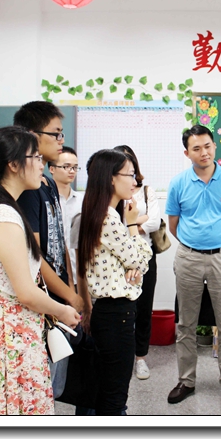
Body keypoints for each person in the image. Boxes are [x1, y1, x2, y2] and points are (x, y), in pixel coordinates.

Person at [0, 126, 79, 415]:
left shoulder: (1, 209)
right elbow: (25, 292)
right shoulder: (2, 215)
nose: (42, 165)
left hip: (8, 332)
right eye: (36, 157)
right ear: (13, 164)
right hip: (11, 338)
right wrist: (63, 310)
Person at [165, 125, 221, 407]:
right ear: (187, 153)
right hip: (188, 257)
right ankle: (186, 380)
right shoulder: (178, 182)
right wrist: (195, 245)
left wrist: (218, 245)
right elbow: (173, 225)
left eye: (208, 146)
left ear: (215, 146)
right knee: (186, 324)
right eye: (196, 148)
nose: (204, 152)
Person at [14, 101, 82, 399]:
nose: (60, 140)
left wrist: (71, 288)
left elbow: (60, 242)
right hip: (43, 299)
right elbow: (35, 256)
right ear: (32, 135)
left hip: (59, 294)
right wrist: (69, 296)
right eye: (55, 133)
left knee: (56, 384)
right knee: (43, 386)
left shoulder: (48, 184)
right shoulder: (27, 190)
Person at [76, 149, 151, 415]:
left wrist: (134, 267)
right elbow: (141, 258)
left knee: (108, 387)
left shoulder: (98, 213)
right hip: (115, 314)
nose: (135, 181)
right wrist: (132, 226)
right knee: (114, 393)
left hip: (110, 313)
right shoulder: (109, 218)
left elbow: (135, 264)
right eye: (130, 174)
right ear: (111, 178)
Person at [113, 145, 162, 381]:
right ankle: (119, 356)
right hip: (118, 261)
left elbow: (155, 222)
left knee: (143, 308)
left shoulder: (146, 191)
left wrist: (132, 223)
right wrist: (136, 221)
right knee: (121, 309)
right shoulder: (111, 193)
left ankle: (140, 358)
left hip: (145, 258)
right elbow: (114, 224)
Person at [48, 146, 82, 266]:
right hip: (53, 267)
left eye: (75, 167)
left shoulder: (82, 201)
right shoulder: (47, 200)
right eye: (66, 167)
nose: (72, 171)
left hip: (78, 267)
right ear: (52, 169)